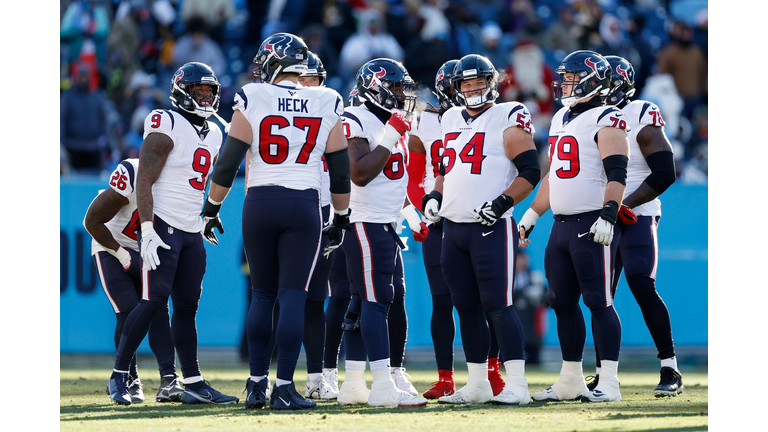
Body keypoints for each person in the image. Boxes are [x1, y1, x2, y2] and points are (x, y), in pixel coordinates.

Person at [202, 33, 351, 411]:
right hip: (303, 204)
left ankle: (255, 385)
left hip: (259, 201)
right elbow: (339, 172)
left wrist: (212, 208)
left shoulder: (254, 95)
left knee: (262, 295)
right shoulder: (326, 99)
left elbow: (228, 161)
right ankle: (283, 387)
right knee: (292, 296)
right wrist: (342, 216)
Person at [106, 62, 238, 406]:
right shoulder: (164, 120)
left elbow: (199, 182)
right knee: (153, 301)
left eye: (211, 92)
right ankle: (120, 375)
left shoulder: (215, 131)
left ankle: (192, 381)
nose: (207, 97)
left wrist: (209, 215)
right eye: (200, 91)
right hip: (163, 223)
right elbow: (144, 179)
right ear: (183, 91)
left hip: (192, 227)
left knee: (187, 307)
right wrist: (147, 228)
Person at [422, 53, 540, 405]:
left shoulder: (508, 113)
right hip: (453, 227)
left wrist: (503, 203)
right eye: (466, 84)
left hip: (490, 226)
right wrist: (433, 196)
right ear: (457, 88)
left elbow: (530, 171)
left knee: (498, 304)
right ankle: (476, 384)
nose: (472, 89)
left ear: (492, 83)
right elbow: (447, 169)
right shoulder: (450, 118)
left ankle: (517, 385)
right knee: (465, 306)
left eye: (478, 83)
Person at [517, 50, 630, 403]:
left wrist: (609, 214)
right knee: (561, 301)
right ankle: (570, 380)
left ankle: (608, 382)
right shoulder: (562, 117)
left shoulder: (607, 116)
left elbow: (618, 173)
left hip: (591, 222)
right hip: (561, 225)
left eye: (570, 77)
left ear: (592, 79)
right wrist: (533, 213)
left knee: (599, 301)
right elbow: (555, 175)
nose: (563, 83)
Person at [583, 55, 681, 397]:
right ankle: (604, 374)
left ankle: (669, 366)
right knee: (599, 295)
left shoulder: (640, 111)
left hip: (635, 212)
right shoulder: (584, 116)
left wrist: (624, 205)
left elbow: (665, 171)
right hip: (599, 214)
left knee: (641, 282)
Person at [335, 58, 428, 408]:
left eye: (404, 87)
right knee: (377, 301)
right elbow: (359, 173)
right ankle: (383, 385)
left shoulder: (390, 122)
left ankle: (355, 385)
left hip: (387, 221)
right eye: (396, 87)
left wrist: (410, 214)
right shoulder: (355, 117)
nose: (402, 94)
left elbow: (394, 178)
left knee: (370, 300)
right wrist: (390, 135)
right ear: (374, 86)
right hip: (364, 220)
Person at [84, 158, 183, 404]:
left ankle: (168, 378)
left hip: (147, 248)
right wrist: (120, 252)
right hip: (111, 246)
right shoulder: (132, 171)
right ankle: (130, 377)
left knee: (159, 306)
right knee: (127, 308)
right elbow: (92, 221)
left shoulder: (180, 180)